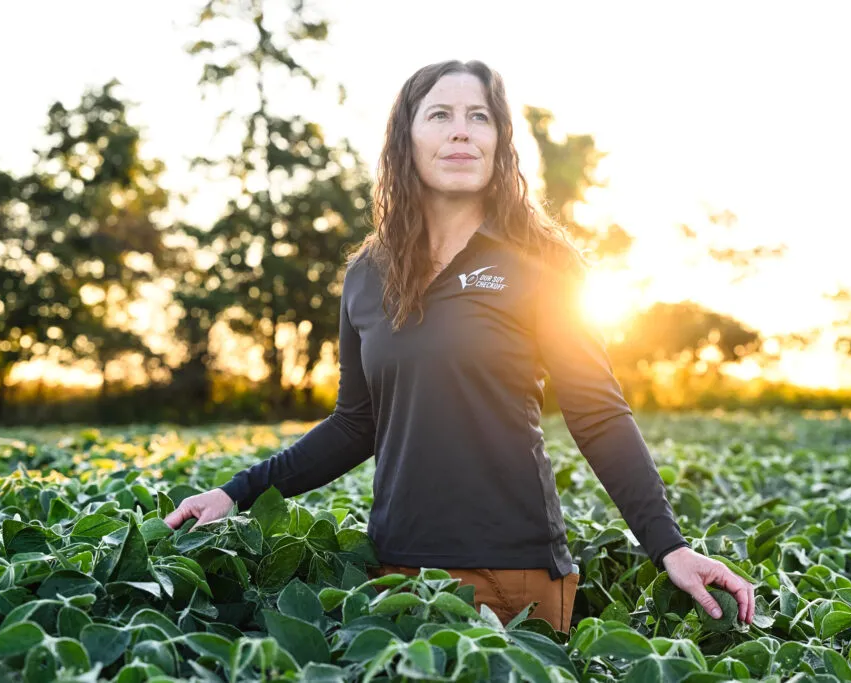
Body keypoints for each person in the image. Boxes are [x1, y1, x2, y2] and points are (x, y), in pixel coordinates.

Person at [165, 59, 755, 632]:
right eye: (439, 114)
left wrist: (669, 547)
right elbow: (355, 425)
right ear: (407, 137)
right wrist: (234, 494)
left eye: (479, 117)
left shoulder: (541, 259)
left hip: (513, 572)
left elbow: (597, 412)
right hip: (396, 572)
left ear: (500, 139)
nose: (460, 133)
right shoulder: (367, 273)